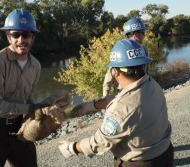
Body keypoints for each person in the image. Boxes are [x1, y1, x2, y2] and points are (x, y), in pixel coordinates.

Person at [60, 39, 174, 167]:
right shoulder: (151, 83)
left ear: (116, 72)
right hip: (165, 153)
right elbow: (125, 97)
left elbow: (100, 142)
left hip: (140, 163)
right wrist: (92, 105)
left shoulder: (120, 109)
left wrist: (72, 148)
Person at [0, 8, 58, 167]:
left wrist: (35, 117)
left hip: (19, 127)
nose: (21, 39)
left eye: (26, 35)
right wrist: (31, 109)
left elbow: (28, 97)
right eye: (16, 35)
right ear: (8, 37)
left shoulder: (36, 66)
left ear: (32, 37)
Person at [103, 17, 147, 97]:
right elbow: (109, 76)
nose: (144, 36)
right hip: (125, 93)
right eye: (143, 33)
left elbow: (146, 71)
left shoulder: (143, 49)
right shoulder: (122, 50)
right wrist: (105, 98)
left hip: (142, 89)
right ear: (136, 34)